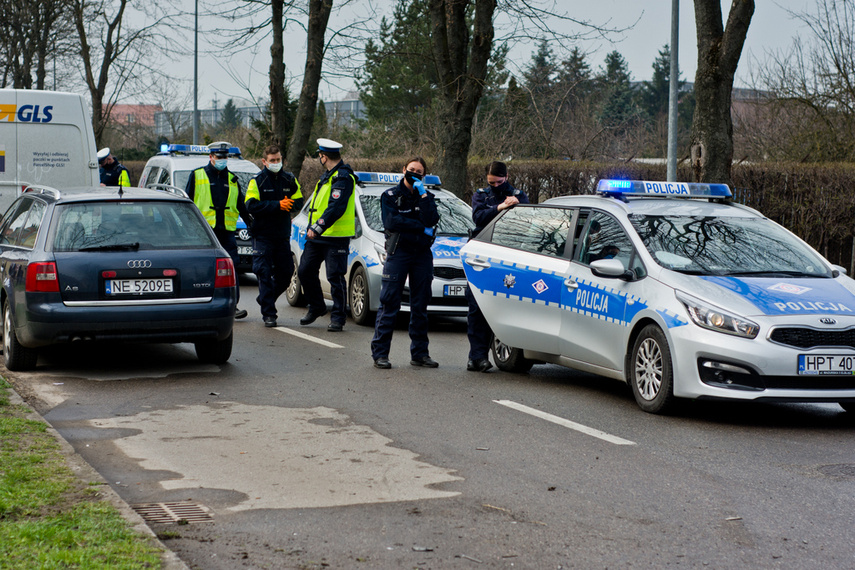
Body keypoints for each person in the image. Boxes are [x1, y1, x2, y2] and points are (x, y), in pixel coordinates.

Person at [370, 157, 440, 369]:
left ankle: (420, 354)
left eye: (419, 172)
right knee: (390, 302)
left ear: (423, 176)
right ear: (403, 170)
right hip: (399, 252)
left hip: (421, 254)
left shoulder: (426, 196)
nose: (414, 173)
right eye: (411, 170)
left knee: (420, 305)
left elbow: (432, 219)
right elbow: (392, 221)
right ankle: (380, 354)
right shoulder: (390, 195)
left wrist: (423, 194)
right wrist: (419, 227)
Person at [466, 161, 529, 372]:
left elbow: (526, 222)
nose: (495, 186)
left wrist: (517, 204)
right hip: (483, 254)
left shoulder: (518, 195)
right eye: (491, 182)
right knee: (477, 307)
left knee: (502, 306)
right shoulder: (481, 195)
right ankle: (477, 356)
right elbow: (478, 217)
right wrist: (500, 207)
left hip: (508, 256)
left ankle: (484, 356)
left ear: (507, 176)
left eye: (499, 182)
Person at [297, 138, 357, 331]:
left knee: (335, 277)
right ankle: (317, 307)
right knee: (305, 271)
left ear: (324, 156)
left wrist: (317, 227)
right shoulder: (327, 176)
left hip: (335, 237)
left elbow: (336, 207)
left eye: (319, 156)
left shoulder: (343, 177)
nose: (319, 158)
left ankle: (338, 317)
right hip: (318, 237)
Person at [185, 141, 250, 319]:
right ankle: (197, 303)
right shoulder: (197, 175)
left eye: (225, 157)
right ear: (211, 157)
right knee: (201, 268)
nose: (223, 160)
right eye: (219, 157)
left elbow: (240, 205)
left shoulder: (232, 179)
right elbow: (187, 204)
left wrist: (252, 224)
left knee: (232, 267)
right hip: (203, 232)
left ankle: (232, 306)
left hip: (226, 231)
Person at [245, 144, 303, 327]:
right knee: (264, 272)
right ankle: (269, 314)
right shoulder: (258, 181)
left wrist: (290, 204)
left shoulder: (289, 179)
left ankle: (264, 297)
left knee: (286, 273)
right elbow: (251, 205)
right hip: (262, 235)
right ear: (264, 162)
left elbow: (299, 201)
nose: (276, 163)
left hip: (282, 235)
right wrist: (277, 205)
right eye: (272, 160)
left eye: (278, 159)